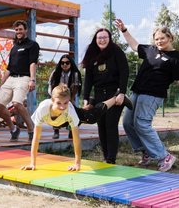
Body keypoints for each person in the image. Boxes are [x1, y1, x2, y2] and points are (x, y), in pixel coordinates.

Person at [115, 19, 179, 172]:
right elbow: (135, 46)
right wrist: (124, 30)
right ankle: (146, 151)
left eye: (162, 38)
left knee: (142, 124)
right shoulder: (151, 50)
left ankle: (164, 156)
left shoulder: (176, 58)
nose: (159, 41)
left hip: (152, 95)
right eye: (156, 39)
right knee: (128, 123)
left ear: (170, 38)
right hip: (137, 91)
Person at [21, 84, 131, 171]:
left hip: (68, 118)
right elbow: (36, 138)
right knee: (87, 113)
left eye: (66, 103)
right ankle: (91, 102)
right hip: (58, 121)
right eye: (59, 103)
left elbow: (76, 139)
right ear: (52, 100)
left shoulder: (69, 110)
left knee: (91, 117)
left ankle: (116, 98)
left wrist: (77, 164)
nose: (62, 106)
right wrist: (32, 163)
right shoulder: (43, 109)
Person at [81, 28, 129, 164]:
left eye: (104, 37)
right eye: (99, 38)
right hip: (98, 95)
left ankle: (111, 158)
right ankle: (106, 156)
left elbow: (124, 72)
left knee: (110, 124)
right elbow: (88, 79)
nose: (102, 40)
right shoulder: (91, 54)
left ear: (109, 38)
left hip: (114, 95)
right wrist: (86, 98)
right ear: (95, 40)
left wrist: (122, 93)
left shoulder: (116, 51)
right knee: (101, 125)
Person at [0, 20, 38, 142]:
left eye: (20, 29)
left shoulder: (32, 45)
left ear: (26, 30)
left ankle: (31, 128)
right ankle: (13, 129)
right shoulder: (14, 48)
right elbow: (9, 68)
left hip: (24, 78)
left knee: (17, 103)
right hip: (11, 78)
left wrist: (32, 79)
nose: (18, 32)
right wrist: (2, 83)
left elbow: (33, 63)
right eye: (16, 30)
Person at [48, 55, 82, 139]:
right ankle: (56, 131)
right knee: (54, 111)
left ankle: (71, 131)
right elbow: (51, 85)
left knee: (74, 113)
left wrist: (70, 99)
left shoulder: (75, 74)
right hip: (56, 96)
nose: (65, 65)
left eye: (67, 63)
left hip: (70, 96)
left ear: (71, 63)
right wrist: (54, 98)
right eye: (62, 63)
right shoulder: (55, 72)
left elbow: (76, 87)